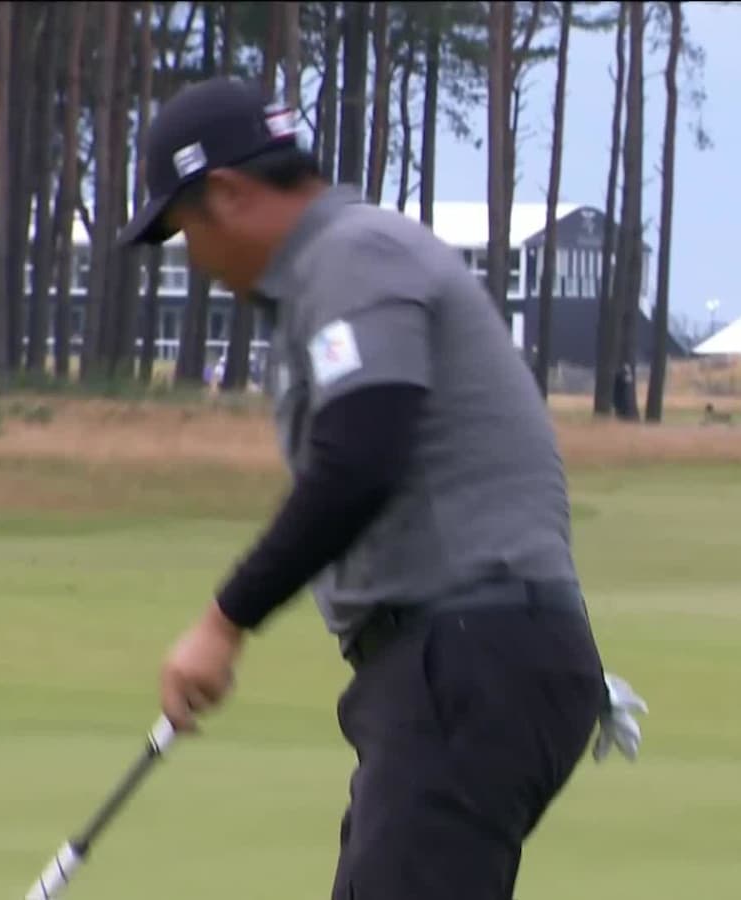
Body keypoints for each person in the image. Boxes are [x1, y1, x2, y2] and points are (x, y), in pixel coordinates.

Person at [118, 77, 647, 899]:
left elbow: (362, 456)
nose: (197, 260)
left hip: (468, 654)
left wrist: (227, 620)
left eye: (185, 229)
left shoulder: (353, 257)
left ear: (226, 193)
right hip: (468, 659)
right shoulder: (337, 273)